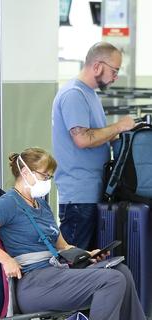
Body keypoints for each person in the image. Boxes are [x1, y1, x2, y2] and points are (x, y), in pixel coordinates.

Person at [0, 148, 152, 320]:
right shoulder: (8, 203)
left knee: (121, 271)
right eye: (45, 175)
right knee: (112, 280)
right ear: (26, 173)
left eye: (50, 176)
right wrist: (6, 259)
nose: (48, 181)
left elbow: (61, 245)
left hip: (55, 274)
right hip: (33, 283)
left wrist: (87, 255)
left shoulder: (41, 204)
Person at [52, 42, 136, 250]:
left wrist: (116, 137)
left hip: (92, 192)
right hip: (79, 196)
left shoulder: (90, 94)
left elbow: (95, 135)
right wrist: (118, 126)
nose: (116, 76)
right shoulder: (74, 94)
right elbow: (82, 139)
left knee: (88, 262)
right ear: (97, 66)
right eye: (114, 70)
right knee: (75, 264)